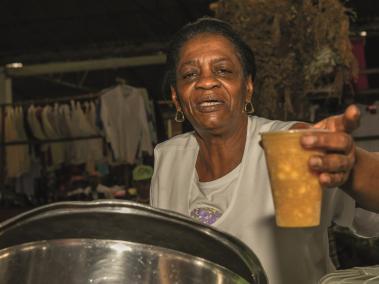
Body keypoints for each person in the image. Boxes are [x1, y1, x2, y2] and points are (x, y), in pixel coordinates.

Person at [150, 17, 379, 283]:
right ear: (177, 97)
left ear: (247, 88)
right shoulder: (167, 159)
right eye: (190, 74)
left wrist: (352, 168)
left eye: (223, 70)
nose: (206, 82)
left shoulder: (292, 144)